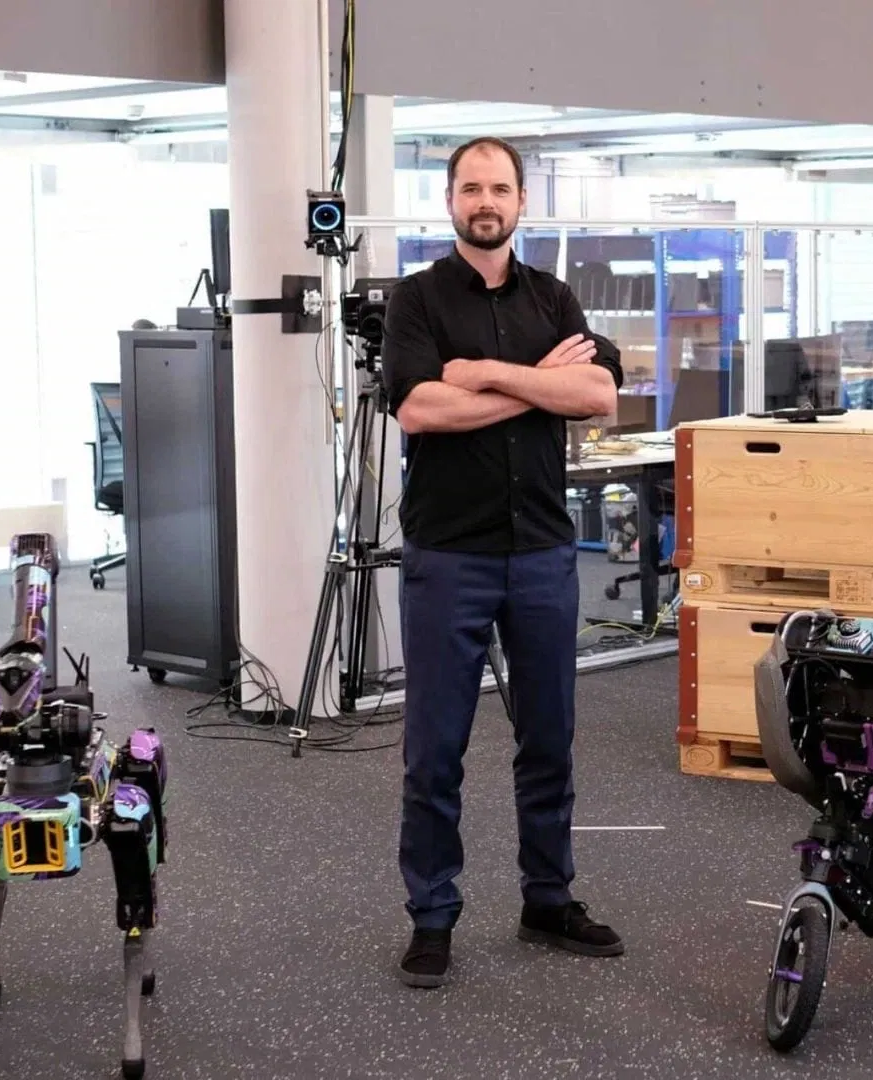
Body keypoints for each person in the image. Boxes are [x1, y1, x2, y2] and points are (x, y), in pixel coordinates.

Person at [378, 135, 626, 989]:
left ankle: (547, 898)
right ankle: (432, 914)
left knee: (549, 737)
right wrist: (536, 384)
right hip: (450, 555)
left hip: (544, 553)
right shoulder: (415, 301)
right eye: (471, 187)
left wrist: (485, 373)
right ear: (450, 200)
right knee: (434, 749)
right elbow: (420, 410)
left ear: (522, 202)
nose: (486, 200)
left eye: (500, 188)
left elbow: (597, 394)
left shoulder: (554, 298)